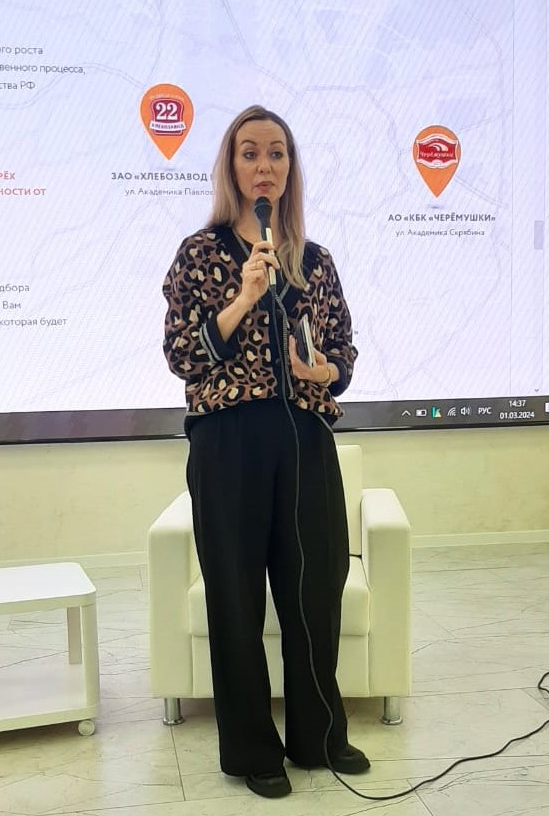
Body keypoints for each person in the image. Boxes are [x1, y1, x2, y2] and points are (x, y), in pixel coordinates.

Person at [162, 104, 368, 798]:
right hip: (229, 442)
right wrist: (243, 298)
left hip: (305, 438)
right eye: (249, 153)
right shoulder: (200, 254)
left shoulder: (316, 260)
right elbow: (182, 355)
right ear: (231, 167)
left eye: (277, 153)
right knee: (235, 596)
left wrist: (323, 370)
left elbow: (343, 354)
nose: (264, 166)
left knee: (315, 593)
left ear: (290, 168)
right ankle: (254, 751)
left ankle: (319, 736)